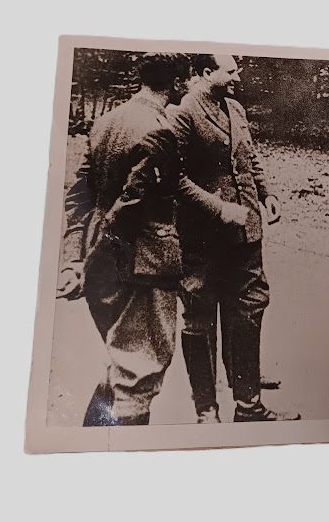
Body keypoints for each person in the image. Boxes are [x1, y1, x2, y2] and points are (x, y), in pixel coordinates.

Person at [58, 53, 226, 426]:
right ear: (177, 83)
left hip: (103, 262)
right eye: (187, 80)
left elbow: (80, 194)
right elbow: (138, 199)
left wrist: (76, 256)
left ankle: (90, 443)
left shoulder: (106, 122)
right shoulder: (160, 129)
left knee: (121, 360)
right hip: (142, 264)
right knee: (140, 369)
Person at [168, 54, 299, 422]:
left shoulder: (235, 108)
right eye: (230, 71)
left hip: (245, 232)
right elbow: (174, 178)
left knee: (248, 310)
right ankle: (206, 410)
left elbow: (249, 158)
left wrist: (267, 193)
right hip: (203, 238)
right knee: (199, 319)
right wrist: (219, 209)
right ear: (206, 73)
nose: (237, 77)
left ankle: (248, 405)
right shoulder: (183, 113)